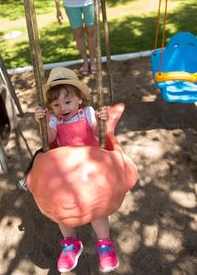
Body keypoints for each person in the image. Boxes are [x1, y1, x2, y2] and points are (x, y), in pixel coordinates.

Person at [34, 67, 119, 273]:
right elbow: (51, 138)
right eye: (56, 104)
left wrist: (102, 122)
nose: (62, 107)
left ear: (79, 99)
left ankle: (104, 244)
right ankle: (71, 243)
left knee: (96, 207)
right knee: (62, 209)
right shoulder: (54, 119)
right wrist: (43, 123)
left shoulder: (88, 113)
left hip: (89, 166)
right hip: (66, 170)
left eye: (67, 101)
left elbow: (99, 136)